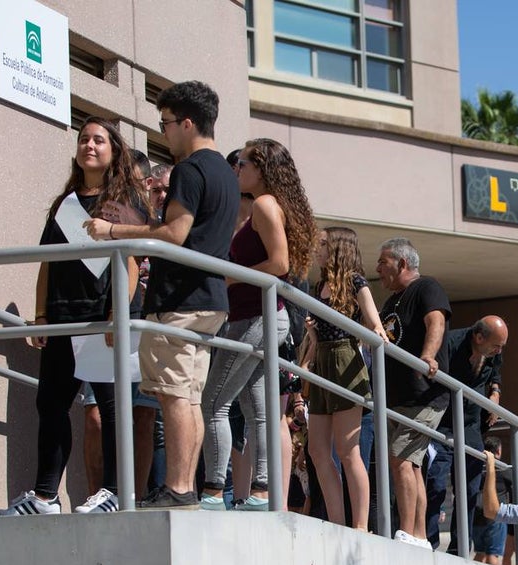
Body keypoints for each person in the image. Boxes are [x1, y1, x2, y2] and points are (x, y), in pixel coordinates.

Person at [86, 81, 240, 510]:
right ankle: (183, 488)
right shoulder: (225, 173)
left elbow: (174, 234)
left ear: (187, 123)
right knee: (188, 396)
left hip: (180, 299)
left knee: (174, 396)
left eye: (165, 123)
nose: (164, 132)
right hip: (209, 299)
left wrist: (113, 230)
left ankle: (178, 487)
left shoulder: (190, 170)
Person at [0, 117, 145, 516]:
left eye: (99, 140)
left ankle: (115, 493)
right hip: (64, 317)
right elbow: (48, 262)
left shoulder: (125, 202)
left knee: (112, 409)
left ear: (114, 150)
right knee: (50, 405)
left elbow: (131, 263)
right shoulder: (64, 204)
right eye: (84, 139)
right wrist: (40, 314)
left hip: (104, 318)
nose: (89, 146)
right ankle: (45, 497)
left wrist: (117, 312)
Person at [196, 139, 314, 512]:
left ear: (261, 169)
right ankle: (260, 493)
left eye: (243, 163)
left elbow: (280, 264)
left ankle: (213, 492)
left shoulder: (264, 204)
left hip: (256, 318)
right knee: (256, 408)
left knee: (213, 402)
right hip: (258, 317)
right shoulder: (267, 205)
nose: (237, 169)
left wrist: (230, 277)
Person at [302, 227, 387, 529]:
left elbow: (376, 327)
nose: (318, 249)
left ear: (338, 248)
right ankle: (337, 522)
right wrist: (312, 338)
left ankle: (360, 526)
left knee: (348, 451)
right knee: (316, 450)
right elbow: (317, 337)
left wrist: (376, 335)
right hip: (323, 361)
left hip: (346, 360)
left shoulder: (356, 283)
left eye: (324, 244)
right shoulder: (320, 285)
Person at [377, 237, 451, 547]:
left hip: (424, 395)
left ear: (402, 263)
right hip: (397, 398)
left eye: (383, 262)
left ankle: (407, 532)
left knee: (401, 460)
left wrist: (428, 356)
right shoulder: (391, 302)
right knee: (410, 463)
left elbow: (436, 321)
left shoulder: (426, 287)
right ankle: (418, 534)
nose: (377, 269)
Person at [424, 315, 507, 551]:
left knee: (470, 488)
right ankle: (430, 542)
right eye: (496, 346)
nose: (499, 351)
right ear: (478, 337)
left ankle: (460, 547)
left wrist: (495, 393)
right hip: (443, 421)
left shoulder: (494, 350)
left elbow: (496, 372)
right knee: (436, 482)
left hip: (471, 424)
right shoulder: (450, 343)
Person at [472, 436, 511, 565]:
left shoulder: (476, 467)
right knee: (492, 554)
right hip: (495, 516)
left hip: (477, 515)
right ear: (498, 451)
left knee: (480, 553)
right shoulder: (503, 469)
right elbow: (515, 488)